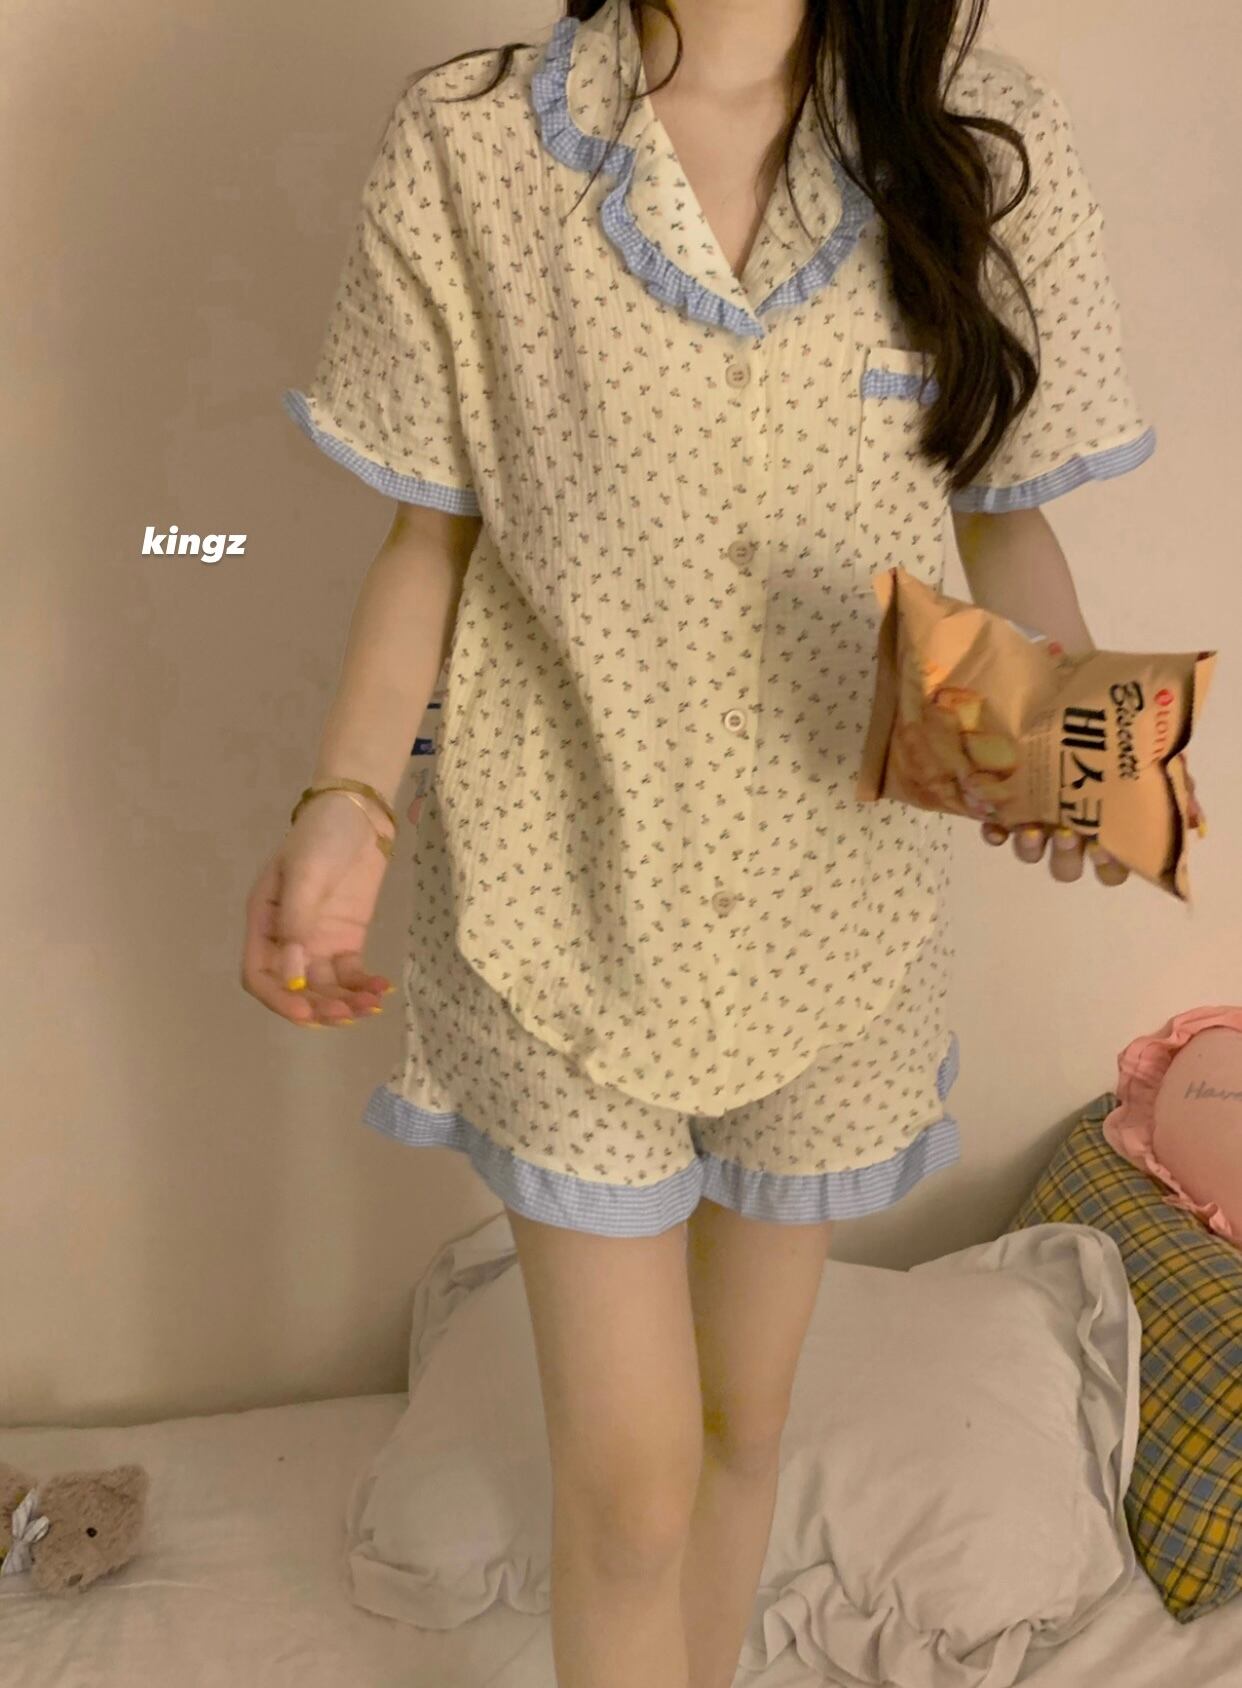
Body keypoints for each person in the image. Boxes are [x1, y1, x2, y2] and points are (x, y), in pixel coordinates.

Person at [242, 4, 1199, 1684]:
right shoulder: (475, 140)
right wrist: (346, 803)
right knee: (628, 1491)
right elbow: (427, 537)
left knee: (738, 1425)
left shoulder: (977, 136)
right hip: (560, 888)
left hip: (841, 914)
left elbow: (999, 512)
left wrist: (1067, 748)